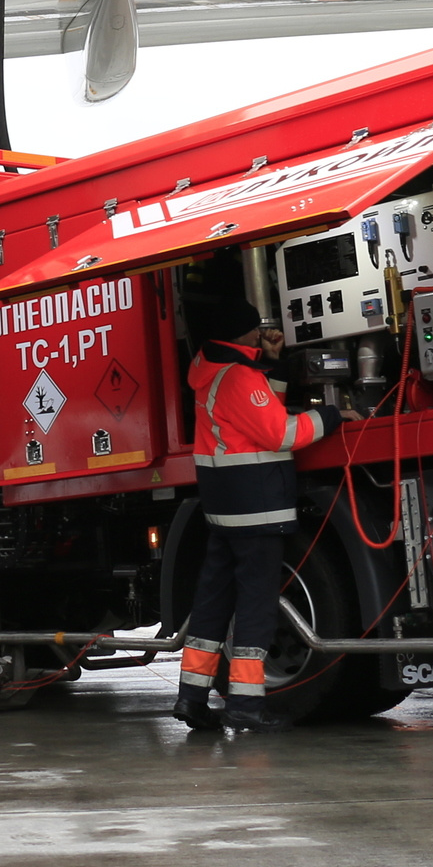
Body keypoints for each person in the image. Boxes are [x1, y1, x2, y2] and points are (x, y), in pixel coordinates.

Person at [173, 308, 341, 733]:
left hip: (223, 506)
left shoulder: (208, 368)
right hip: (257, 505)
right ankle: (246, 706)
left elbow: (260, 409)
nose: (262, 334)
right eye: (256, 329)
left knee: (212, 601)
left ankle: (191, 698)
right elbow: (281, 434)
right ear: (242, 333)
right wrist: (332, 415)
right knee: (255, 606)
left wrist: (273, 364)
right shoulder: (238, 377)